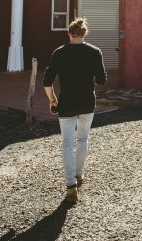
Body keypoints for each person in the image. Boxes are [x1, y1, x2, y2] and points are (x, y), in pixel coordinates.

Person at [43, 17, 106, 204]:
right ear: (84, 33)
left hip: (67, 104)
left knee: (66, 145)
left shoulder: (59, 53)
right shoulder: (95, 52)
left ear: (69, 33)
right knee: (83, 140)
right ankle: (79, 175)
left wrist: (52, 100)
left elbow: (47, 81)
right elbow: (102, 80)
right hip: (87, 102)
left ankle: (71, 186)